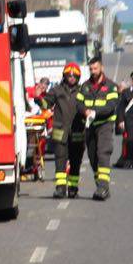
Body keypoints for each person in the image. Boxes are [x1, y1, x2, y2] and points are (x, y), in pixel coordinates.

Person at [35, 63, 86, 199]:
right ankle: (60, 188)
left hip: (77, 132)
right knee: (60, 160)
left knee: (76, 161)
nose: (71, 78)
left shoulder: (83, 91)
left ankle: (73, 188)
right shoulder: (56, 90)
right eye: (69, 75)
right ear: (64, 76)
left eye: (74, 76)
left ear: (78, 77)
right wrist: (38, 98)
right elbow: (47, 104)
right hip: (60, 131)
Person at [76, 56, 119, 201]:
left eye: (95, 68)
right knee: (93, 157)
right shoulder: (85, 86)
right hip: (90, 126)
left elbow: (111, 106)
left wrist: (95, 112)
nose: (93, 71)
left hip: (105, 124)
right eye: (91, 69)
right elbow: (79, 103)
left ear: (102, 68)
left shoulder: (111, 86)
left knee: (103, 153)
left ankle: (103, 187)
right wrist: (85, 111)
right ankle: (101, 185)